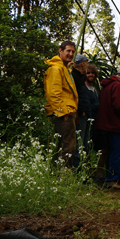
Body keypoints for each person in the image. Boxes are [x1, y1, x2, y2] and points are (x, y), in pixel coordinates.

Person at [94, 69, 120, 189]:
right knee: (117, 152)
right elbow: (119, 105)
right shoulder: (117, 85)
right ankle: (112, 179)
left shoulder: (106, 85)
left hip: (105, 123)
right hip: (114, 124)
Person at [44, 40, 78, 168]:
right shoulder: (56, 69)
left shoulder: (64, 68)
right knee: (68, 147)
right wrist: (63, 113)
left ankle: (59, 177)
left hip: (68, 112)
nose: (70, 54)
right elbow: (53, 94)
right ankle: (63, 178)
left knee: (66, 146)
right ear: (60, 51)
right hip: (64, 113)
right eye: (68, 51)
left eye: (73, 52)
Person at [71, 54, 92, 168]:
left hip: (84, 115)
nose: (87, 67)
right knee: (79, 146)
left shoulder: (79, 76)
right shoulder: (73, 76)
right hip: (80, 116)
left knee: (84, 145)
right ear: (83, 63)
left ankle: (82, 172)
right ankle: (77, 172)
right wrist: (80, 111)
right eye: (87, 64)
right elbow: (73, 95)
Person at [83, 63, 100, 157]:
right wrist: (99, 105)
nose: (90, 75)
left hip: (95, 121)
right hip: (86, 120)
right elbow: (87, 106)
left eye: (93, 73)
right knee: (85, 145)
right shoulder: (84, 88)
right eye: (88, 73)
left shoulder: (95, 89)